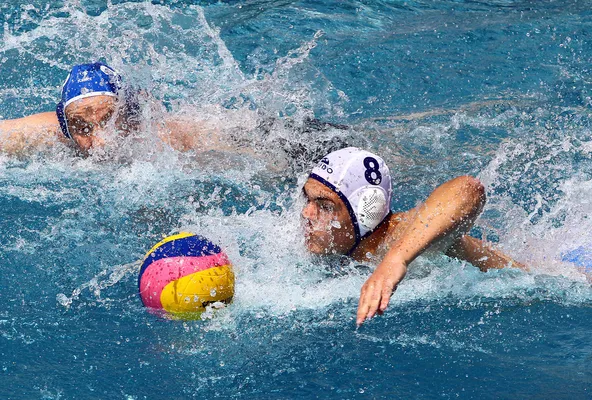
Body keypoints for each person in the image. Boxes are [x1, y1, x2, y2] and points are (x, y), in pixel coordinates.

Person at [300, 147, 526, 326]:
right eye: (308, 200)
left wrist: (396, 259)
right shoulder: (337, 246)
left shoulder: (402, 235)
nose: (306, 213)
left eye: (324, 206)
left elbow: (468, 188)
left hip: (528, 289)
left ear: (364, 213)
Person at [0, 62, 246, 156]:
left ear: (129, 114)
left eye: (108, 121)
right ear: (65, 126)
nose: (100, 142)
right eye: (82, 128)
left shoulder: (167, 138)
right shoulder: (52, 133)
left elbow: (259, 137)